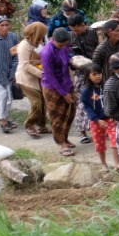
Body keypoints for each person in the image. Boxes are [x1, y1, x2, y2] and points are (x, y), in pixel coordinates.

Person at [39, 27, 76, 156]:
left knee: (70, 113)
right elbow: (50, 76)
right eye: (60, 45)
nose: (63, 47)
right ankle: (61, 144)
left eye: (65, 44)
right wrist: (63, 93)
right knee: (57, 116)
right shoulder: (47, 52)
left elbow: (67, 61)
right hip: (52, 87)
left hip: (66, 83)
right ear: (52, 40)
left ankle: (65, 138)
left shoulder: (65, 47)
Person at [79, 65, 116, 169]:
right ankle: (104, 164)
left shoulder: (107, 87)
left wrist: (113, 114)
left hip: (110, 119)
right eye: (94, 74)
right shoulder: (86, 92)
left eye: (99, 73)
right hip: (96, 121)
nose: (98, 76)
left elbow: (113, 101)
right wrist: (96, 119)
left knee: (115, 141)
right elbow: (87, 107)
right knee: (100, 145)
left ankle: (117, 164)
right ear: (88, 76)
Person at [15, 22, 47, 138]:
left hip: (34, 78)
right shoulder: (24, 45)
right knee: (36, 102)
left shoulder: (32, 44)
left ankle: (41, 125)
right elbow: (26, 65)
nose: (42, 37)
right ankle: (29, 125)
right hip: (25, 79)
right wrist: (42, 74)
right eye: (41, 34)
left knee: (43, 102)